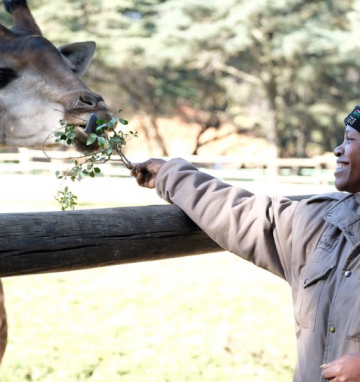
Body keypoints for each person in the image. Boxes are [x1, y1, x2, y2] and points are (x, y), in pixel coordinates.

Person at [129, 106, 360, 382]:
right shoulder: (319, 222)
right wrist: (171, 176)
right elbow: (239, 213)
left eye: (350, 139)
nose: (338, 149)